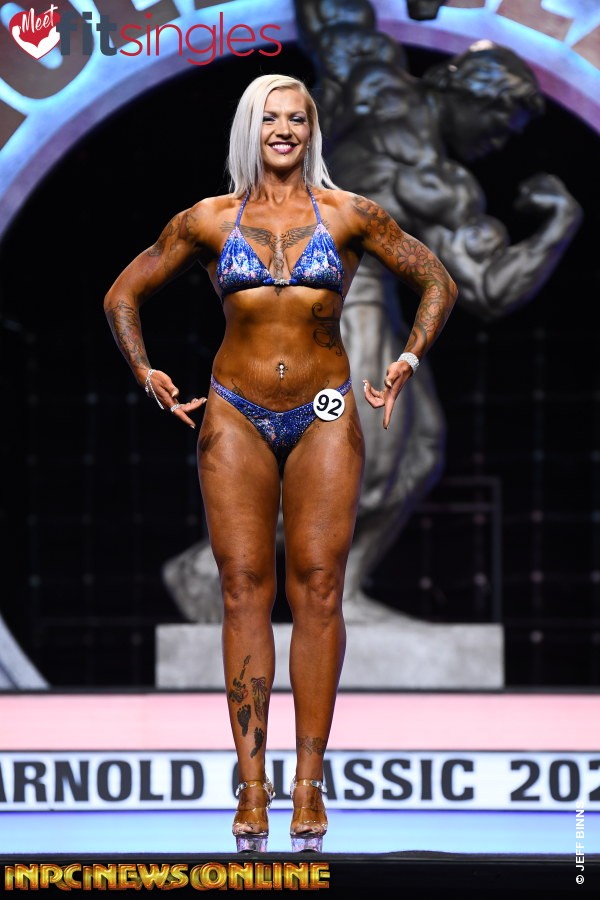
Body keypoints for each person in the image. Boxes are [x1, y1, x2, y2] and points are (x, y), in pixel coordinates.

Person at [103, 73, 457, 853]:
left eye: (297, 118)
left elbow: (437, 279)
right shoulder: (207, 219)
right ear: (250, 127)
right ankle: (252, 785)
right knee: (241, 591)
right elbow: (122, 294)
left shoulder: (350, 213)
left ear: (312, 129)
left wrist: (408, 357)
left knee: (320, 589)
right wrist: (145, 370)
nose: (285, 130)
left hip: (325, 410)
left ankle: (308, 782)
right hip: (235, 411)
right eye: (271, 118)